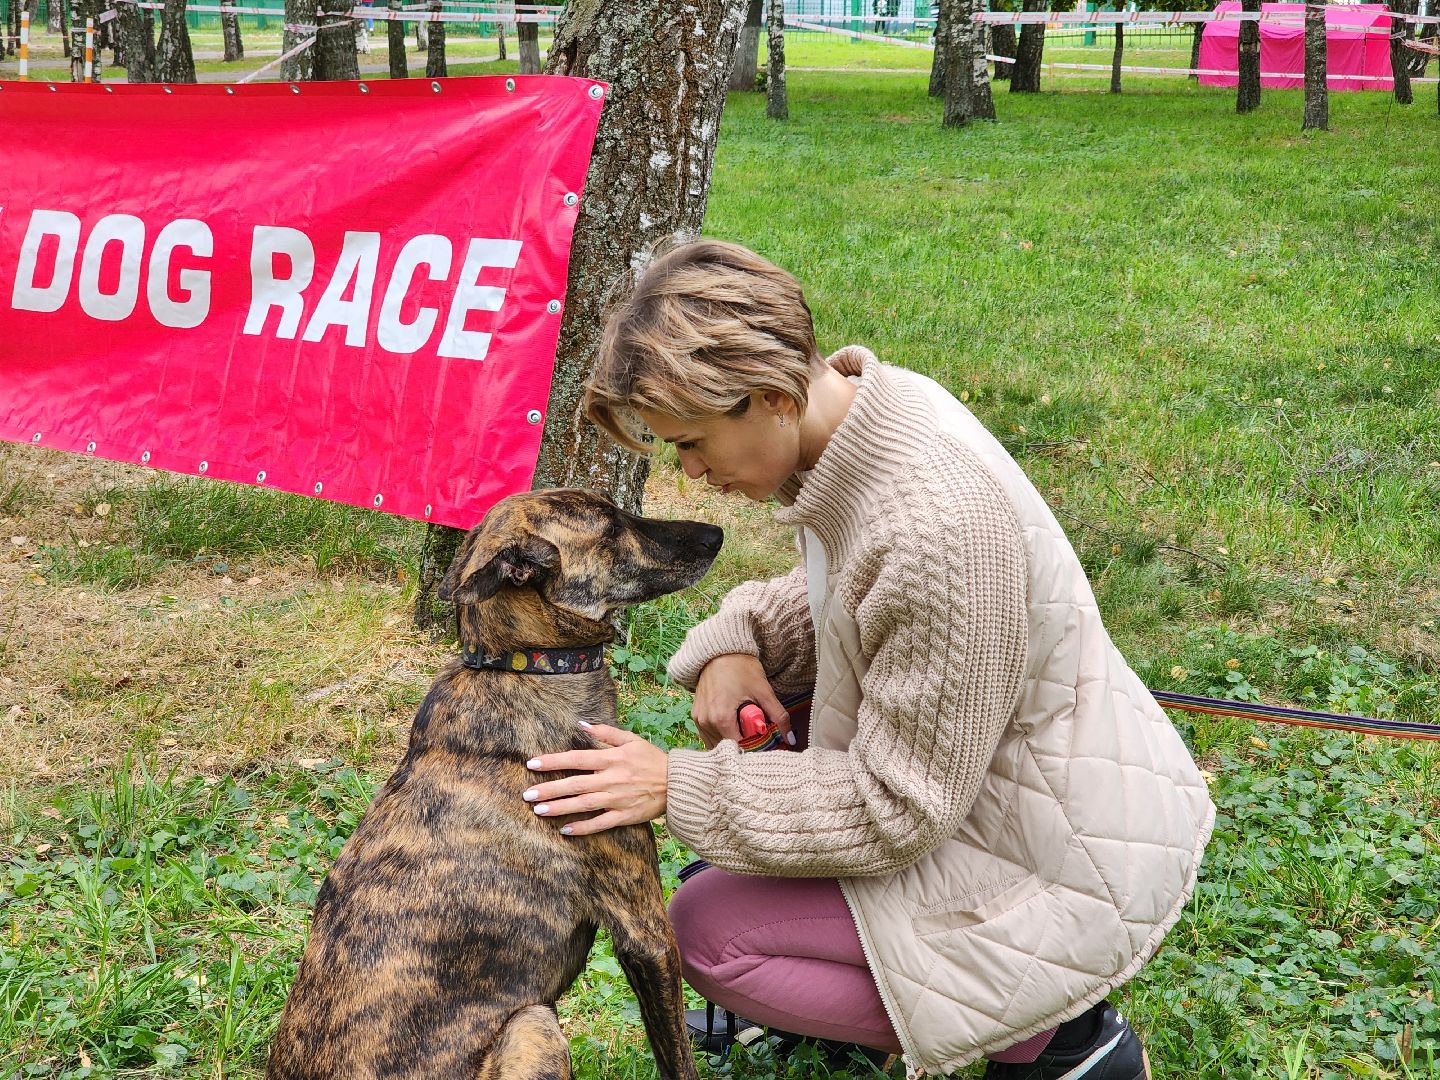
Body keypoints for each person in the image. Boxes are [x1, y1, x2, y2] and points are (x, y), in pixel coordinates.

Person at [520, 238, 1216, 1079]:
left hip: (1058, 856)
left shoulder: (936, 527)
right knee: (748, 822)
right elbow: (858, 591)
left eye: (693, 442)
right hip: (1010, 798)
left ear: (774, 397)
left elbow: (898, 805)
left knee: (709, 935)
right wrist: (739, 640)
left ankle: (1058, 1040)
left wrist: (675, 786)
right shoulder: (873, 418)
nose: (692, 472)